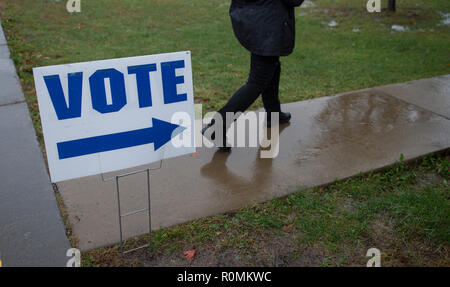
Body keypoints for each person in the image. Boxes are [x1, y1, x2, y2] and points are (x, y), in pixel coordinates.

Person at [202, 0, 305, 151]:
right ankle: (216, 127)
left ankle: (273, 113)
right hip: (267, 23)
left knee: (271, 64)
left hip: (255, 19)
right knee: (258, 80)